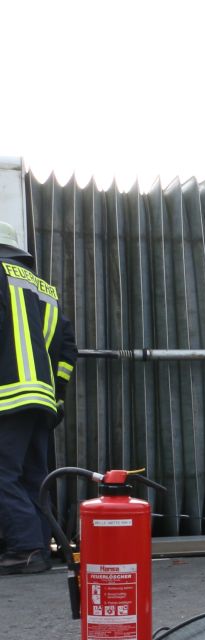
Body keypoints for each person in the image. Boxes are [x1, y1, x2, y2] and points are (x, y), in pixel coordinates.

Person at [0, 222, 76, 574]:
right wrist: (56, 394)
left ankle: (26, 549)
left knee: (3, 474)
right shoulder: (45, 288)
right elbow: (67, 350)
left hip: (6, 396)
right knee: (34, 477)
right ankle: (40, 549)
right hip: (42, 400)